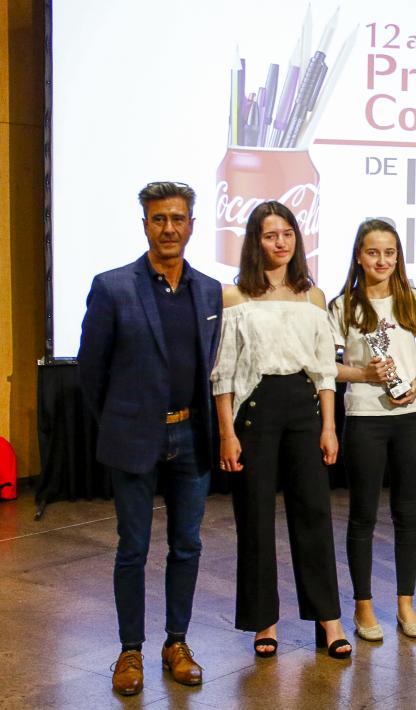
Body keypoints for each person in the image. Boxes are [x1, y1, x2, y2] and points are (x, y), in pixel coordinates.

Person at [78, 181, 222, 696]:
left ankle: (176, 642)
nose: (168, 228)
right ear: (145, 225)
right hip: (134, 435)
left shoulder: (208, 290)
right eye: (158, 219)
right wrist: (122, 419)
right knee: (132, 548)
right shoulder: (113, 286)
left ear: (191, 225)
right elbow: (91, 372)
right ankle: (130, 650)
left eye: (177, 218)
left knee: (187, 545)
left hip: (193, 434)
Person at [211, 201, 350, 659]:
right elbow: (224, 372)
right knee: (254, 520)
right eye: (271, 235)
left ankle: (328, 621)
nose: (281, 242)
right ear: (256, 241)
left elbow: (325, 371)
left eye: (288, 233)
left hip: (304, 410)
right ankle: (264, 623)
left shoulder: (313, 296)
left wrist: (329, 426)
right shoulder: (235, 297)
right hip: (254, 411)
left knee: (313, 516)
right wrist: (227, 432)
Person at [328, 219, 416, 640]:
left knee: (408, 512)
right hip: (365, 419)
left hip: (413, 416)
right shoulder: (343, 306)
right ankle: (363, 607)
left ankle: (405, 606)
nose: (382, 260)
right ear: (359, 255)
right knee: (363, 515)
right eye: (373, 252)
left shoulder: (413, 300)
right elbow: (327, 366)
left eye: (389, 252)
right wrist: (363, 373)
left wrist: (415, 384)